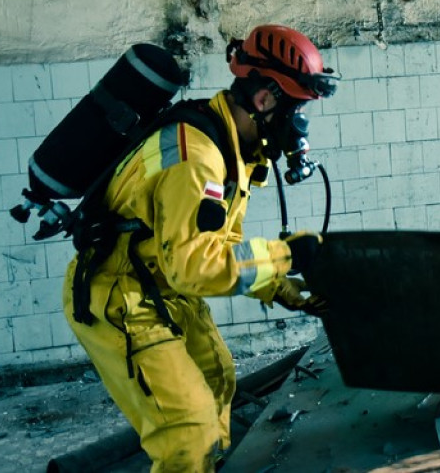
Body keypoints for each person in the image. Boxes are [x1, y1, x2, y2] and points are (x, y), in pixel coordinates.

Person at [62, 24, 338, 472]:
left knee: (216, 381)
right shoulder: (197, 157)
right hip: (121, 298)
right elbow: (194, 267)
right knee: (188, 430)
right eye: (296, 109)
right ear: (265, 99)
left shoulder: (235, 149)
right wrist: (287, 255)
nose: (300, 127)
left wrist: (280, 288)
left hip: (163, 287)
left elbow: (220, 244)